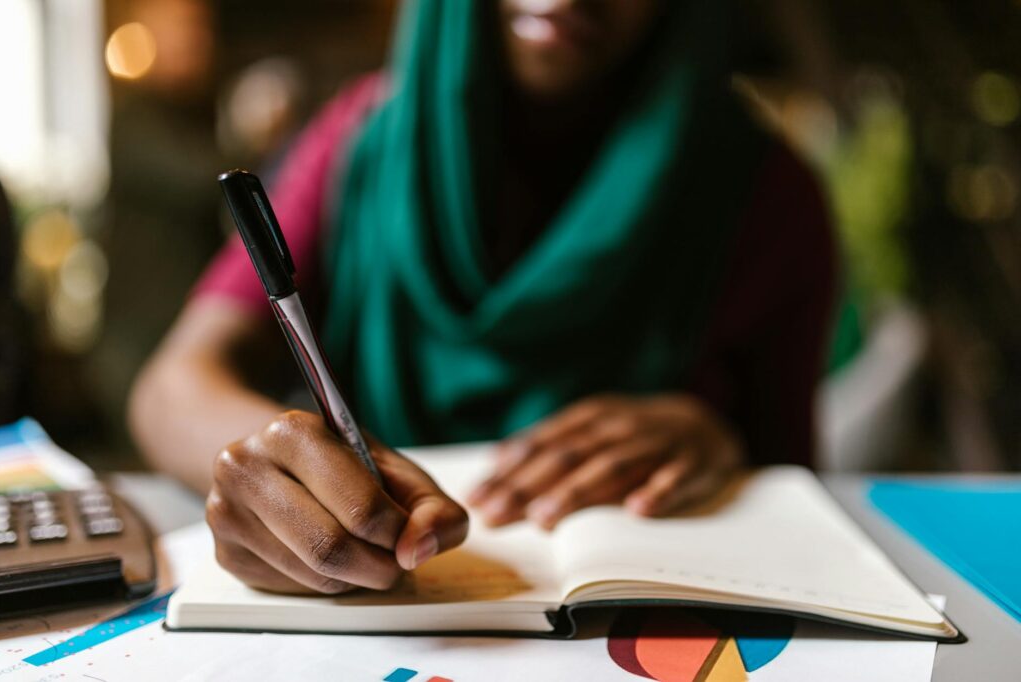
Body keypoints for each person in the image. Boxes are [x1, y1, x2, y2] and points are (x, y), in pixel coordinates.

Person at [130, 0, 834, 596]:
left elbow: (805, 490)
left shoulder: (770, 197)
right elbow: (170, 389)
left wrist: (723, 441)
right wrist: (270, 473)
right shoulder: (360, 147)